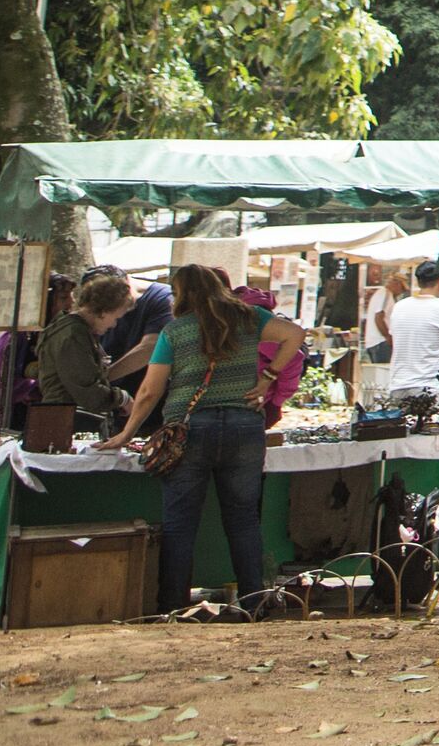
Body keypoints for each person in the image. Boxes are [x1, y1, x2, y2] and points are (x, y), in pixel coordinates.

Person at [109, 263, 306, 616]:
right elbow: (295, 334)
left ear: (181, 293)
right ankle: (253, 602)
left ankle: (173, 606)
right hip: (245, 427)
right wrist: (267, 378)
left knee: (180, 522)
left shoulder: (175, 332)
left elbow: (150, 390)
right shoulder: (249, 318)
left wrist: (126, 432)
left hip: (190, 428)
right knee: (244, 519)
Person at [30, 274, 138, 435]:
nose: (114, 324)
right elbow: (86, 389)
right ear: (103, 311)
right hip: (67, 421)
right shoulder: (72, 334)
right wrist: (122, 398)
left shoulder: (75, 330)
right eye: (116, 317)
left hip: (66, 418)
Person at [380, 259, 439, 401]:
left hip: (398, 386)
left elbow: (396, 341)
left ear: (418, 283)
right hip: (429, 388)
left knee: (402, 422)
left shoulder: (399, 307)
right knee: (432, 423)